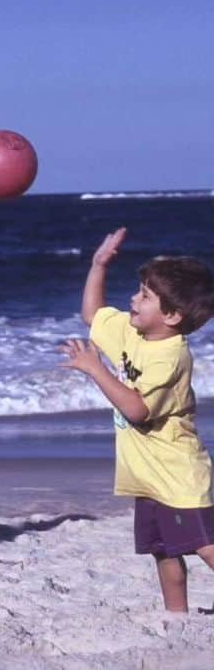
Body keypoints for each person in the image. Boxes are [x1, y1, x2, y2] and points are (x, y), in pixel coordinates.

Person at [61, 227, 214, 612]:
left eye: (145, 296)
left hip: (178, 474)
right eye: (138, 290)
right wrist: (98, 265)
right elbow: (92, 314)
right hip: (147, 475)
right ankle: (176, 618)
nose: (133, 299)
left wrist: (96, 369)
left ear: (173, 315)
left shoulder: (170, 357)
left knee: (205, 545)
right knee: (163, 551)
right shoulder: (135, 333)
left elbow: (136, 410)